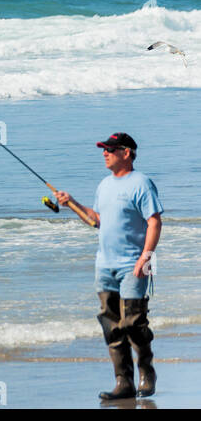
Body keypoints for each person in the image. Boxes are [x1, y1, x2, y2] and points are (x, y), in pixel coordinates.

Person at [54, 132, 163, 401]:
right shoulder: (104, 185)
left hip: (135, 263)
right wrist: (72, 204)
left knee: (133, 322)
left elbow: (154, 222)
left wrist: (146, 257)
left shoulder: (142, 183)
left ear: (126, 153)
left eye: (110, 149)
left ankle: (146, 371)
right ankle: (122, 382)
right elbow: (96, 220)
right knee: (111, 324)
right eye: (104, 149)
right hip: (104, 265)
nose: (105, 153)